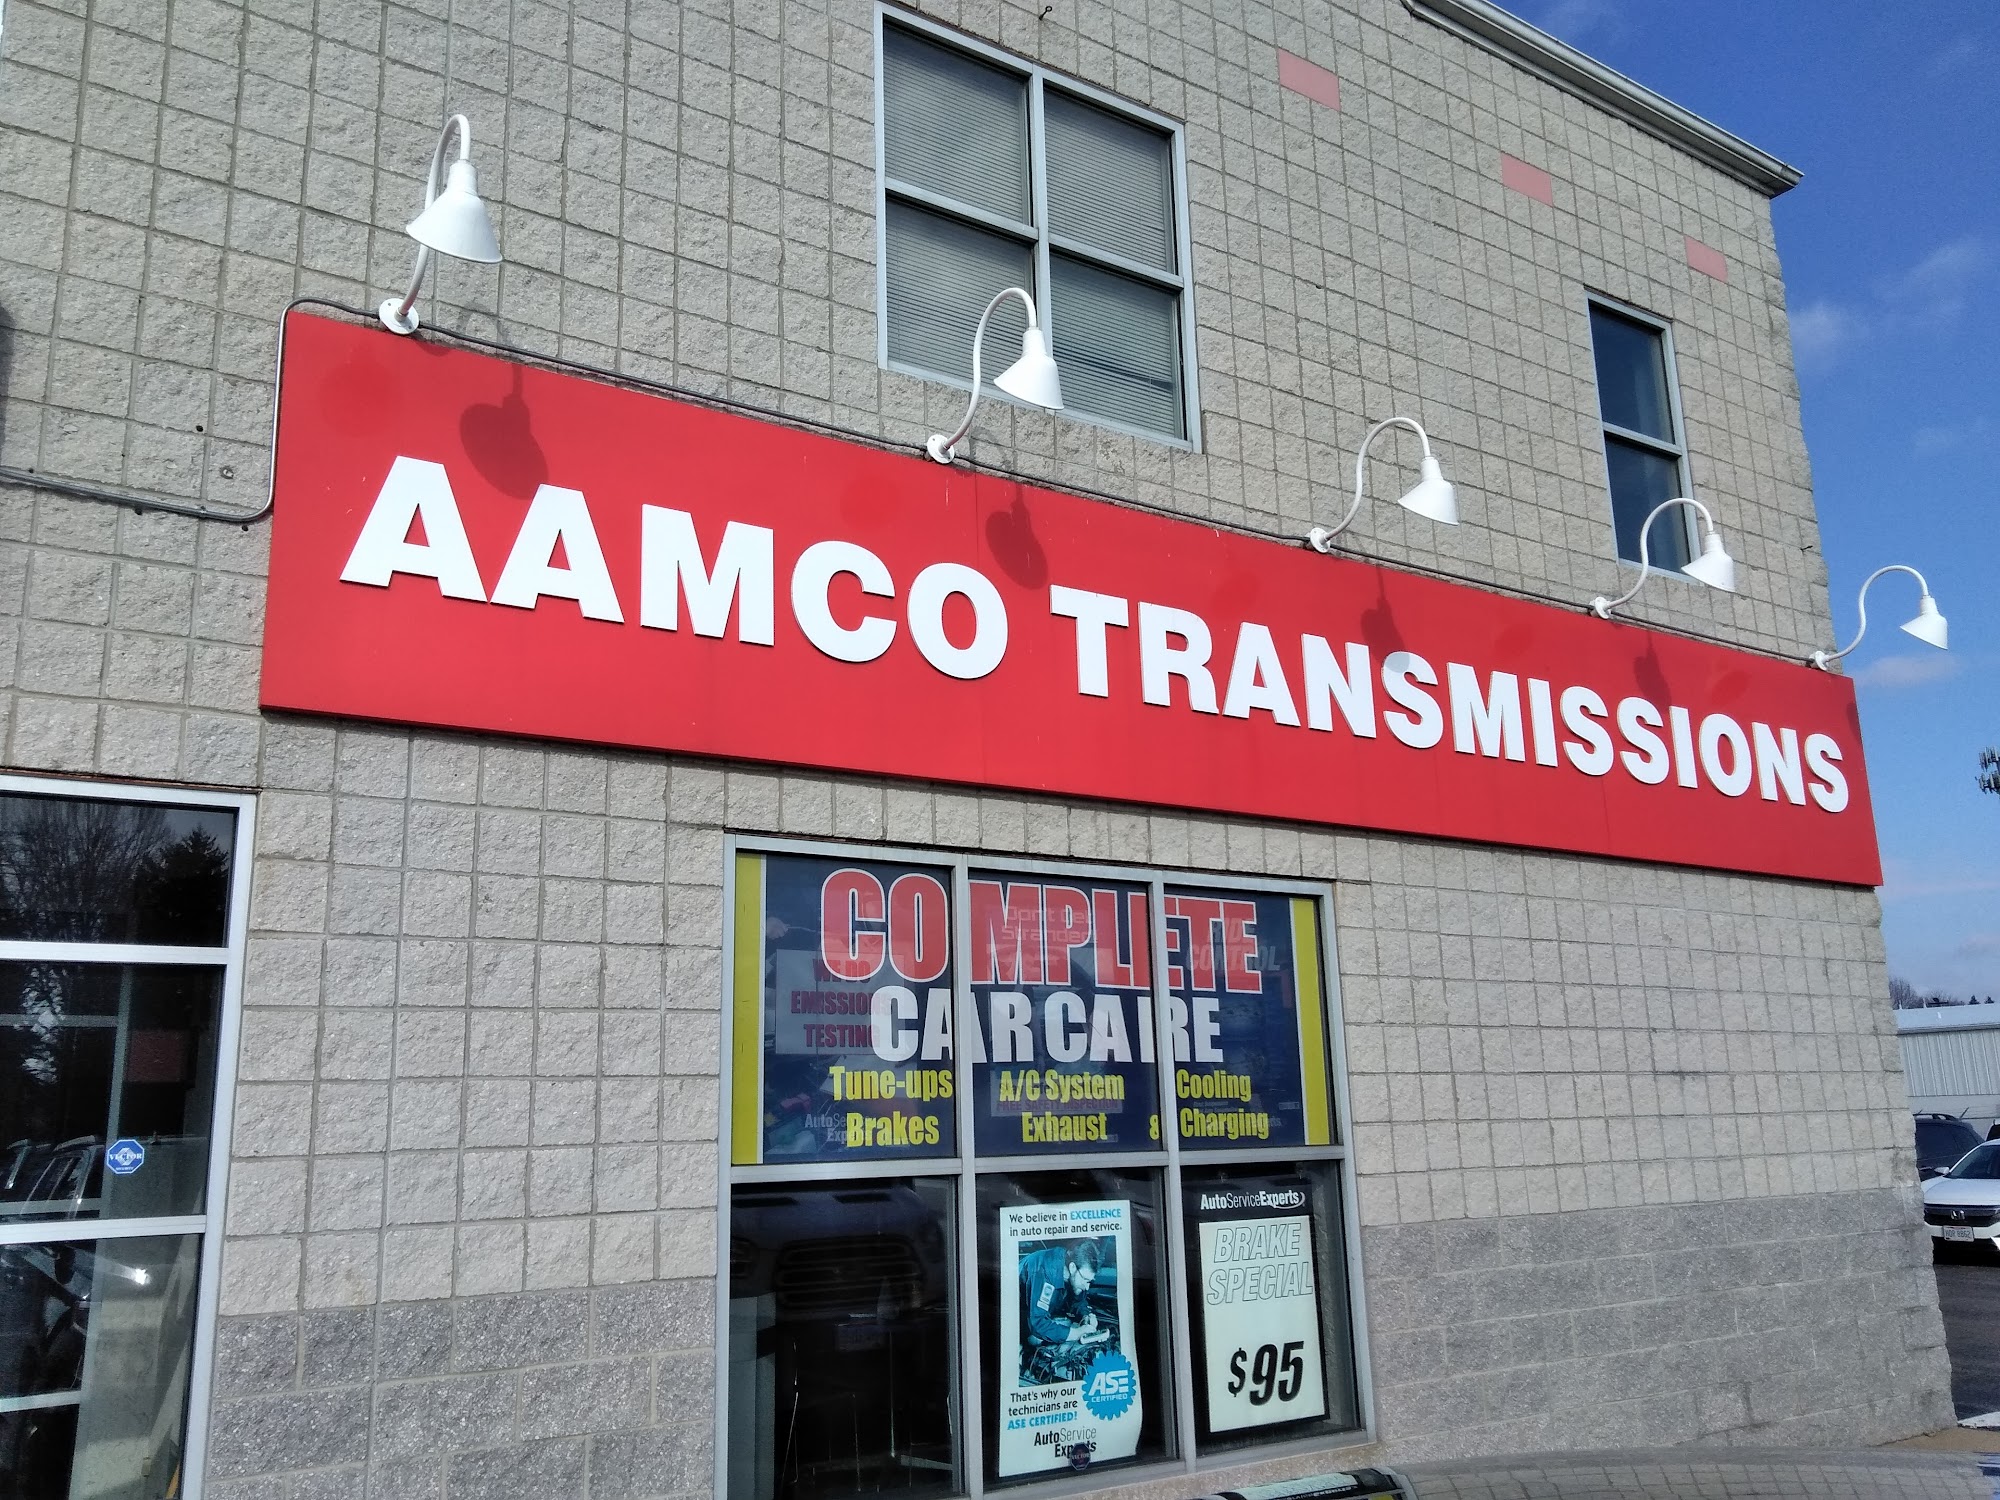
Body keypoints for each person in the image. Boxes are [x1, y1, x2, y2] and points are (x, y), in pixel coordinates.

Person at [1018, 1237, 1105, 1373]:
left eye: (1090, 1281)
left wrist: (1086, 1315)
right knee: (1030, 1345)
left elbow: (1078, 1299)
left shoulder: (1073, 1267)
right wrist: (1076, 1333)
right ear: (1072, 1267)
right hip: (1014, 1314)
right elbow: (1038, 1323)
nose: (1087, 1287)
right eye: (1085, 1280)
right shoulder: (1044, 1271)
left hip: (1041, 1312)